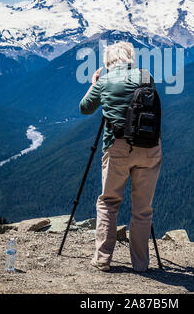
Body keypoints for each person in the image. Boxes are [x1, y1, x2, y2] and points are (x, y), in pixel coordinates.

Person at [79, 41, 162, 273]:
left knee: (108, 202)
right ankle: (141, 264)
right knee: (143, 209)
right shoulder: (146, 76)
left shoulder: (103, 81)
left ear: (107, 63)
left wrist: (93, 85)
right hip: (149, 147)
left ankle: (103, 259)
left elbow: (85, 108)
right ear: (130, 59)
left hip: (117, 148)